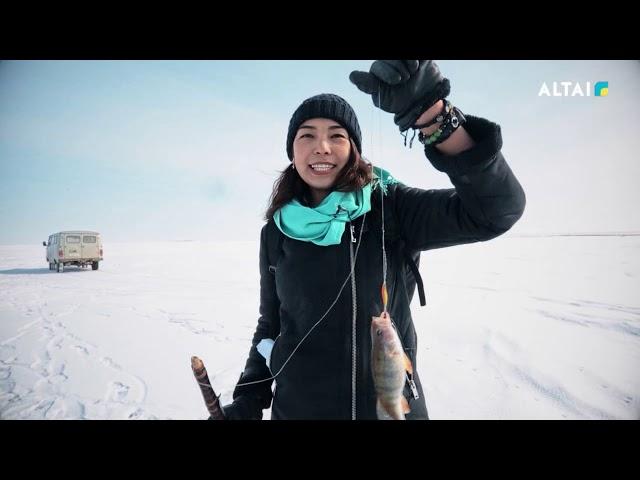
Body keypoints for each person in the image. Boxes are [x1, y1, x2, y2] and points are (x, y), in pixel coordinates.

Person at [215, 60, 526, 420]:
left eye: (336, 135)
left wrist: (435, 117)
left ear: (354, 150)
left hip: (392, 409)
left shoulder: (390, 207)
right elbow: (271, 325)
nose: (322, 147)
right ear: (292, 150)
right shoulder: (277, 231)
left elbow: (496, 211)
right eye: (307, 135)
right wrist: (248, 400)